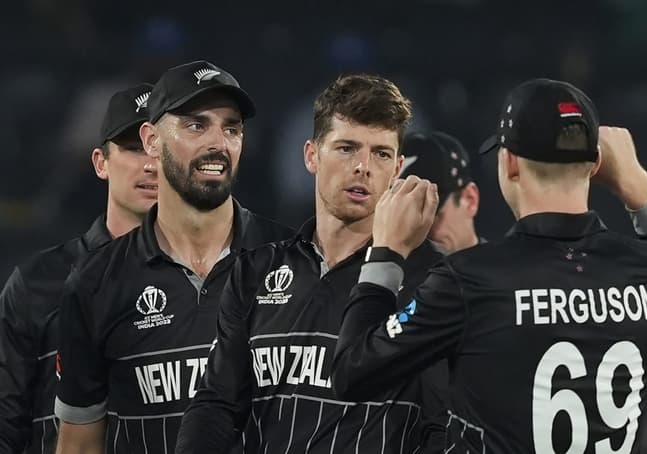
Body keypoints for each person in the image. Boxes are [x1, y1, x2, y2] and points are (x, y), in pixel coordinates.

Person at [330, 78, 647, 453]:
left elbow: (352, 372)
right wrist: (636, 184)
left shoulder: (471, 279)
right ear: (596, 164)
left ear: (510, 163)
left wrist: (386, 251)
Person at [175, 74, 444, 454]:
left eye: (381, 154)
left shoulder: (435, 281)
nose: (363, 167)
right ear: (311, 156)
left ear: (398, 168)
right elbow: (218, 406)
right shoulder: (255, 271)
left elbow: (443, 425)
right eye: (347, 148)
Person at [54, 61, 293, 453]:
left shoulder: (291, 259)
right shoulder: (95, 281)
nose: (218, 143)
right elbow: (79, 445)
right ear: (151, 140)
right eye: (196, 125)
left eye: (231, 128)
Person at [0, 83, 157, 454]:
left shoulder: (219, 281)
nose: (150, 164)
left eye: (161, 149)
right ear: (101, 163)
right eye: (134, 148)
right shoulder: (38, 283)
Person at [400, 131, 481, 253]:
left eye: (433, 215)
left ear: (470, 200)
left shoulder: (506, 264)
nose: (418, 234)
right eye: (404, 219)